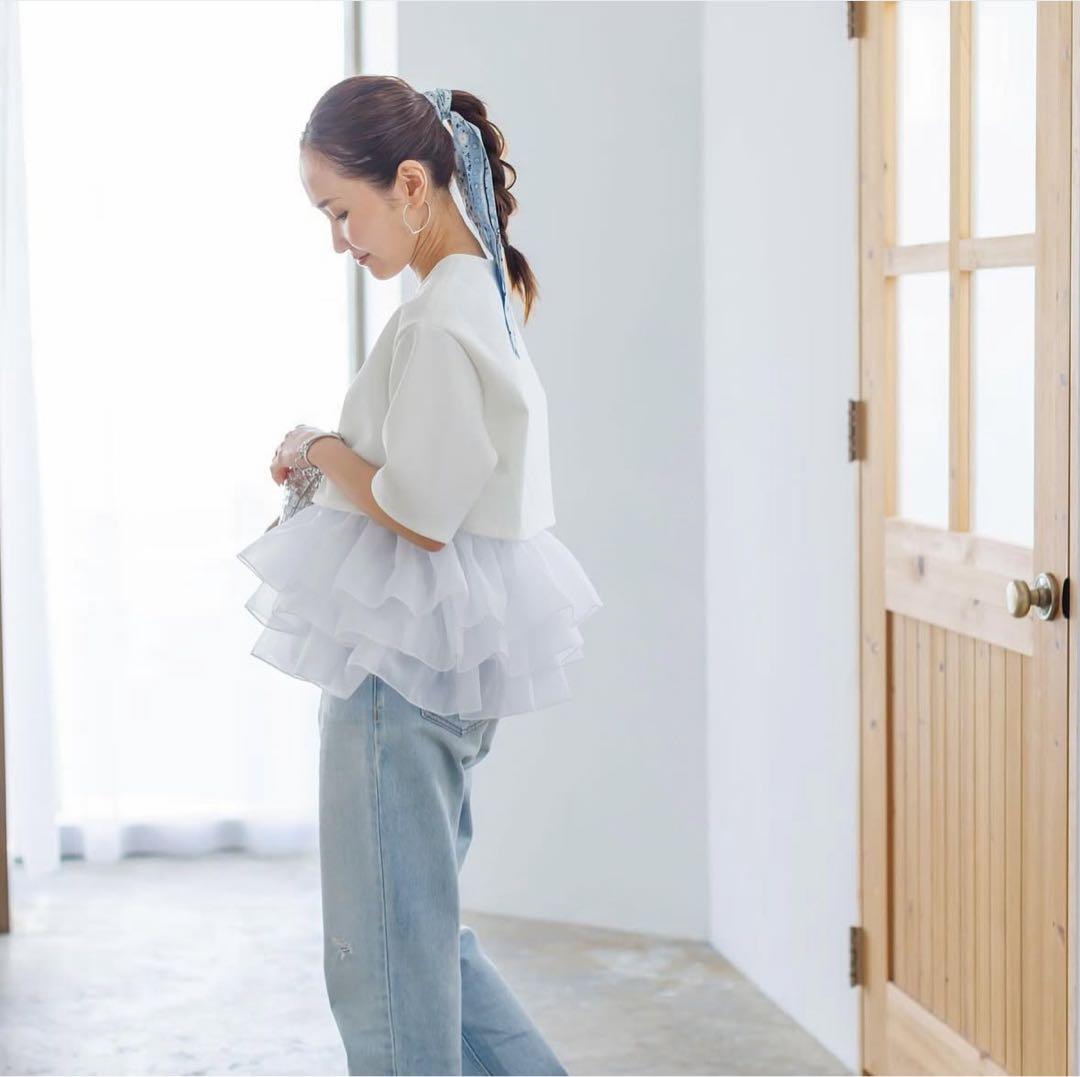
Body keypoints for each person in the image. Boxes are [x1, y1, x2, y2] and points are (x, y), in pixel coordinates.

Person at [236, 75, 603, 1076]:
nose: (338, 242)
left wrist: (315, 447)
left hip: (396, 682)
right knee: (425, 942)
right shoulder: (482, 296)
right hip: (440, 667)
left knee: (385, 966)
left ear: (408, 184)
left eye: (340, 211)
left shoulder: (441, 318)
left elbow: (420, 510)